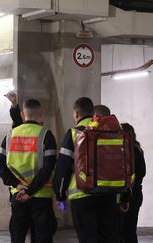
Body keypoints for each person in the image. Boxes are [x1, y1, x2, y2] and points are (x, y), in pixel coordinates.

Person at [53, 97, 119, 243]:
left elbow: (63, 167)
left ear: (76, 114)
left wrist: (59, 194)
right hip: (108, 194)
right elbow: (118, 161)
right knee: (107, 238)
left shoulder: (73, 133)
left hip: (82, 196)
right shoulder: (108, 131)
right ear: (93, 112)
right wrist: (125, 194)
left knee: (87, 239)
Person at [5, 99, 57, 243]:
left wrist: (17, 185)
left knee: (17, 236)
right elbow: (48, 168)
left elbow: (0, 167)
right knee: (42, 237)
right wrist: (30, 191)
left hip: (18, 196)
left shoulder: (10, 135)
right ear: (41, 114)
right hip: (41, 197)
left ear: (22, 114)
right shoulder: (46, 135)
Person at [0, 92, 36, 243]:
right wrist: (14, 106)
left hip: (19, 191)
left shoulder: (17, 135)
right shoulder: (43, 135)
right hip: (34, 192)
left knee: (18, 232)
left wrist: (18, 186)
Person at [120, 123, 146, 243]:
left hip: (128, 194)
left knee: (124, 231)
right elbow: (142, 173)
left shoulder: (128, 152)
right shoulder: (138, 150)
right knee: (130, 231)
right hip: (136, 193)